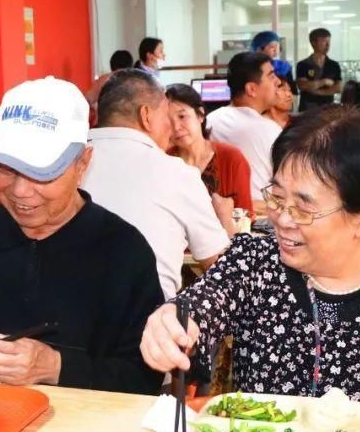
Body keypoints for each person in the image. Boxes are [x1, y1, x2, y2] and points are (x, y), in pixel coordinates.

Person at [141, 107, 360, 425]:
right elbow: (203, 305)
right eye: (277, 198)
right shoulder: (253, 262)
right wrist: (171, 319)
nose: (282, 219)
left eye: (303, 207)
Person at [0, 78, 164, 394]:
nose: (20, 191)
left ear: (82, 163)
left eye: (41, 173)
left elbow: (144, 378)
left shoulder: (123, 251)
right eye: (6, 169)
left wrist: (57, 366)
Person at [83, 71, 230, 298]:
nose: (171, 129)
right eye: (166, 116)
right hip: (147, 324)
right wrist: (225, 220)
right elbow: (221, 270)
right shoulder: (177, 173)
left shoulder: (66, 163)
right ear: (146, 116)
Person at [166, 83, 253, 217]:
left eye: (182, 116)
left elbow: (245, 217)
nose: (176, 127)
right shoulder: (164, 161)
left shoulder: (231, 158)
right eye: (168, 121)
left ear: (200, 114)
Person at [206, 52, 283, 204]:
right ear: (251, 89)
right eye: (271, 76)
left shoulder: (210, 121)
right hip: (261, 216)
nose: (278, 82)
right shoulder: (270, 130)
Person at [296, 28, 342, 112]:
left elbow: (337, 88)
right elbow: (302, 86)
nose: (328, 45)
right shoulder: (303, 65)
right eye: (324, 41)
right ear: (313, 43)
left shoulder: (334, 65)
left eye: (329, 41)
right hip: (307, 110)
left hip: (328, 110)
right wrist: (324, 82)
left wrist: (316, 91)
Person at [86, 49, 134, 124]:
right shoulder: (134, 81)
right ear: (130, 65)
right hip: (128, 126)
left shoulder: (103, 79)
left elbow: (87, 100)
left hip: (103, 125)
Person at [251, 31, 297, 95]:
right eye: (272, 46)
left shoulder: (284, 66)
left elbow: (292, 90)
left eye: (277, 46)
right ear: (259, 49)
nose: (275, 50)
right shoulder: (250, 67)